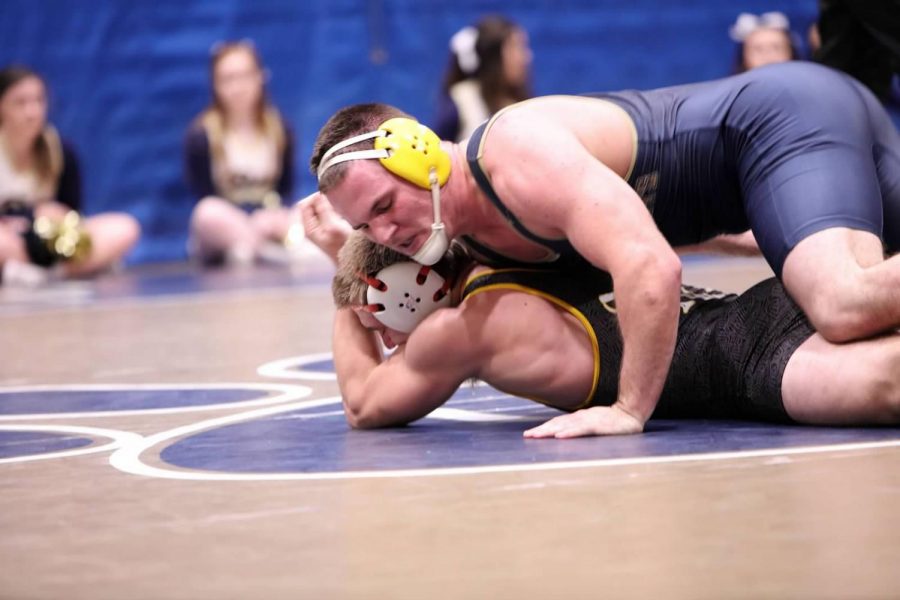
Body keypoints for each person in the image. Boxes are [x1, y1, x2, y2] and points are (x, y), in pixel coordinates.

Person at [307, 60, 900, 436]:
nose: (384, 232)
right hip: (776, 161)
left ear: (418, 152)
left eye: (383, 208)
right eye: (367, 226)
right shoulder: (487, 236)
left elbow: (649, 264)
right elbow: (614, 221)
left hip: (776, 129)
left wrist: (629, 410)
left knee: (845, 302)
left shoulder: (511, 158)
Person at [299, 201, 900, 437]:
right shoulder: (513, 243)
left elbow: (364, 405)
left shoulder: (461, 330)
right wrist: (349, 269)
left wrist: (345, 301)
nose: (383, 336)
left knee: (887, 381)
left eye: (378, 318)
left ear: (411, 286)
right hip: (759, 312)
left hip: (750, 364)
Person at [0, 65, 140, 284]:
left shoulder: (59, 149)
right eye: (20, 103)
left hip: (53, 243)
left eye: (38, 101)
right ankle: (26, 267)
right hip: (10, 240)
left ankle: (50, 272)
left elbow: (74, 211)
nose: (32, 112)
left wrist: (55, 215)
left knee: (124, 227)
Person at [184, 40, 300, 266]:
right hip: (224, 225)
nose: (238, 87)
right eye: (228, 79)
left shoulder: (279, 129)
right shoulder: (201, 135)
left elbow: (285, 191)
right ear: (215, 85)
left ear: (260, 76)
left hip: (267, 220)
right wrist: (248, 220)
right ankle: (264, 250)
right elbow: (203, 196)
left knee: (311, 211)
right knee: (206, 213)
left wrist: (274, 217)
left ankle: (257, 248)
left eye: (245, 76)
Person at [433, 15, 532, 142]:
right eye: (516, 47)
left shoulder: (522, 103)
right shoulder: (462, 102)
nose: (526, 57)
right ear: (493, 56)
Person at [728, 11, 800, 73]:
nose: (768, 55)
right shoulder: (730, 88)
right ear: (743, 57)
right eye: (758, 49)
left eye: (776, 48)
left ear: (790, 52)